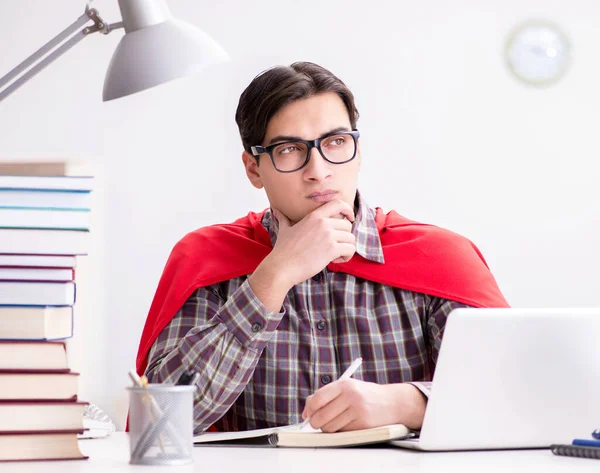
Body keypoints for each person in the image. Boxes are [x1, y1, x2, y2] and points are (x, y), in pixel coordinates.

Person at [135, 62, 508, 435]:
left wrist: (409, 403)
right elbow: (159, 423)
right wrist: (273, 276)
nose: (319, 170)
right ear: (253, 168)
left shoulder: (441, 258)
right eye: (289, 149)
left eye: (335, 143)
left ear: (358, 151)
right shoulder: (207, 259)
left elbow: (512, 397)